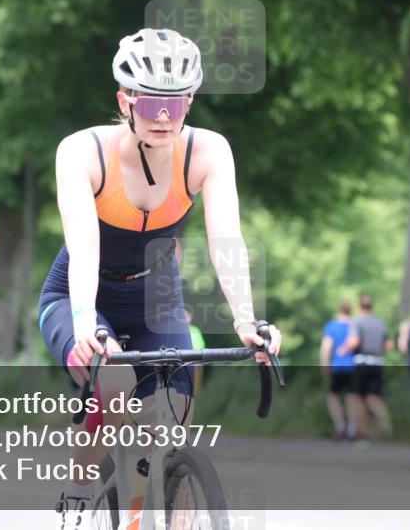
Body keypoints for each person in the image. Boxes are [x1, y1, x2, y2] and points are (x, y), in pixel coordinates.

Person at [38, 28, 282, 530]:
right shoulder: (81, 152)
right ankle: (80, 497)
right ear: (124, 100)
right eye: (151, 104)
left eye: (178, 102)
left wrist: (245, 320)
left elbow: (226, 241)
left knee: (172, 413)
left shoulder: (208, 152)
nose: (165, 116)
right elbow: (84, 243)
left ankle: (167, 509)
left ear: (191, 101)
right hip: (80, 290)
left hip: (157, 292)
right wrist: (85, 319)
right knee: (114, 380)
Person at [341, 294, 393, 443]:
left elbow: (354, 341)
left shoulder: (357, 321)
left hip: (362, 363)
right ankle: (387, 428)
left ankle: (363, 434)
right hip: (377, 363)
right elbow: (389, 345)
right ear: (372, 307)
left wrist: (343, 349)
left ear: (360, 307)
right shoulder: (380, 323)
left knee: (356, 398)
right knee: (374, 397)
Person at [320, 301, 356, 440]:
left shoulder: (332, 326)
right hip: (353, 366)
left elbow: (326, 348)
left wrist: (325, 365)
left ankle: (341, 427)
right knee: (352, 398)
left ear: (339, 310)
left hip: (338, 366)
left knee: (333, 397)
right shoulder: (354, 326)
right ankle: (353, 429)